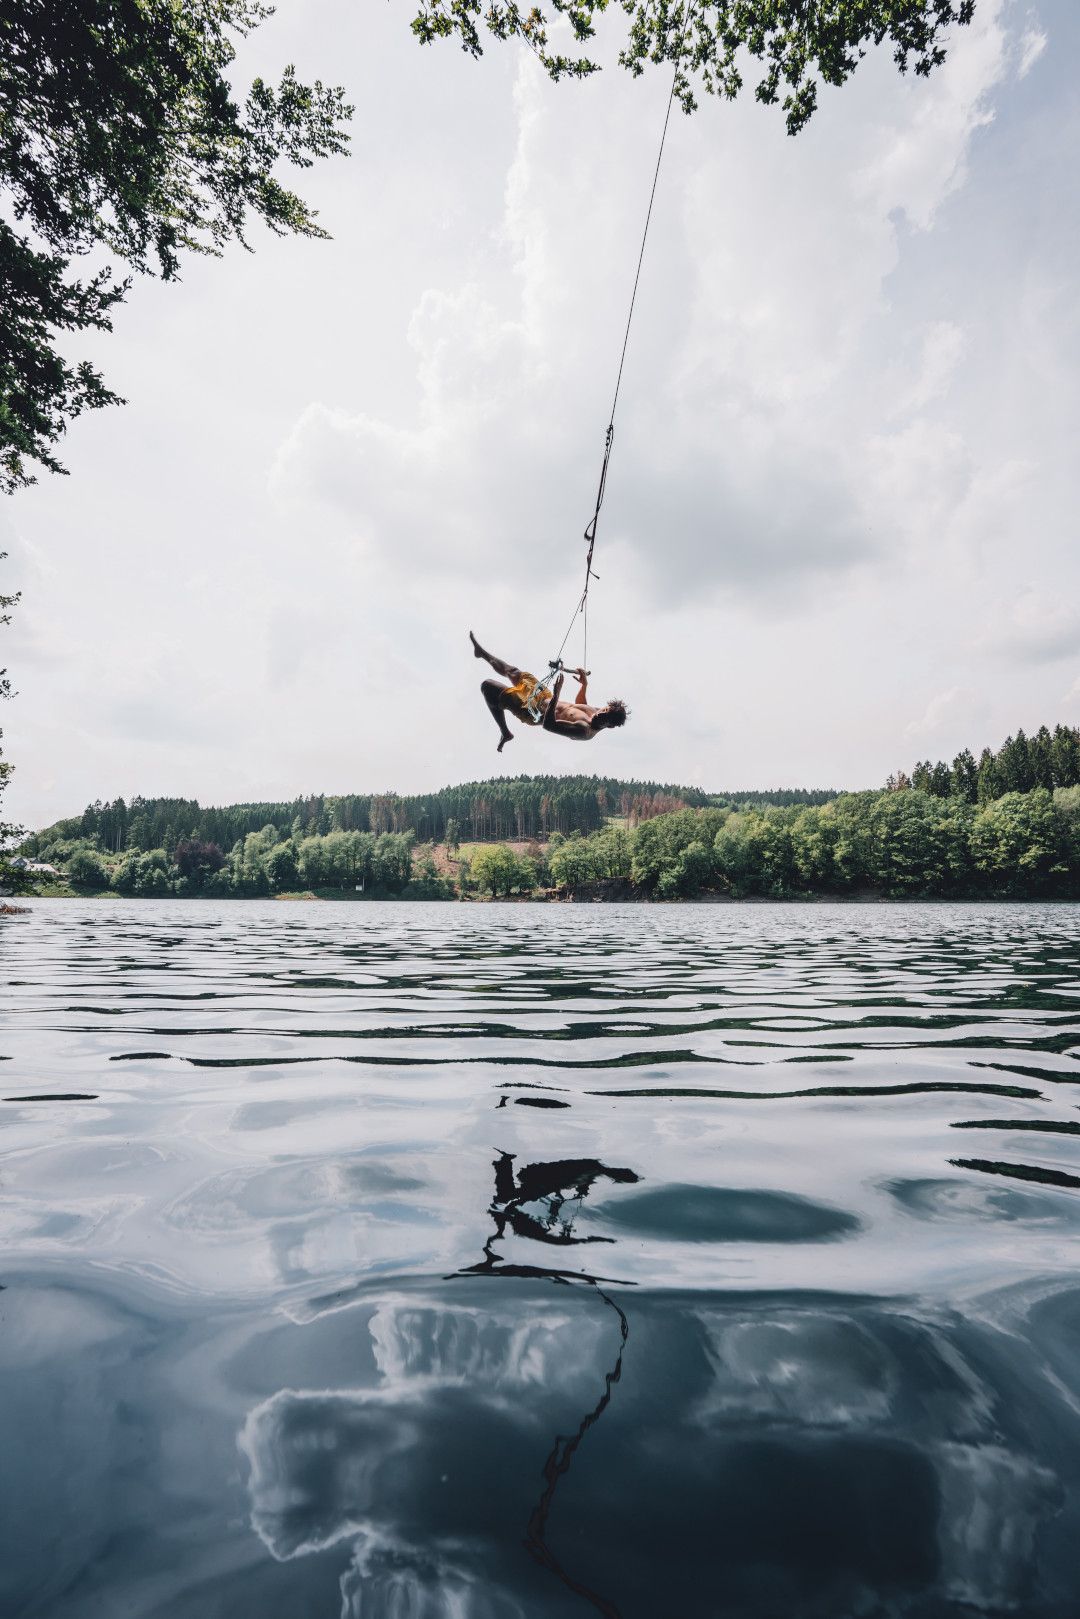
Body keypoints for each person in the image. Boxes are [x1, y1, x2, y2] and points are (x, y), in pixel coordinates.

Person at [469, 631, 629, 752]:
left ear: (609, 726)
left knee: (488, 686)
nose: (600, 714)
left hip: (532, 712)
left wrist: (557, 696)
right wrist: (583, 686)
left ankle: (505, 732)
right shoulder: (597, 712)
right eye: (604, 710)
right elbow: (580, 706)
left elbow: (549, 725)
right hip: (544, 696)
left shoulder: (584, 731)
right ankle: (481, 653)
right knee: (514, 672)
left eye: (604, 717)